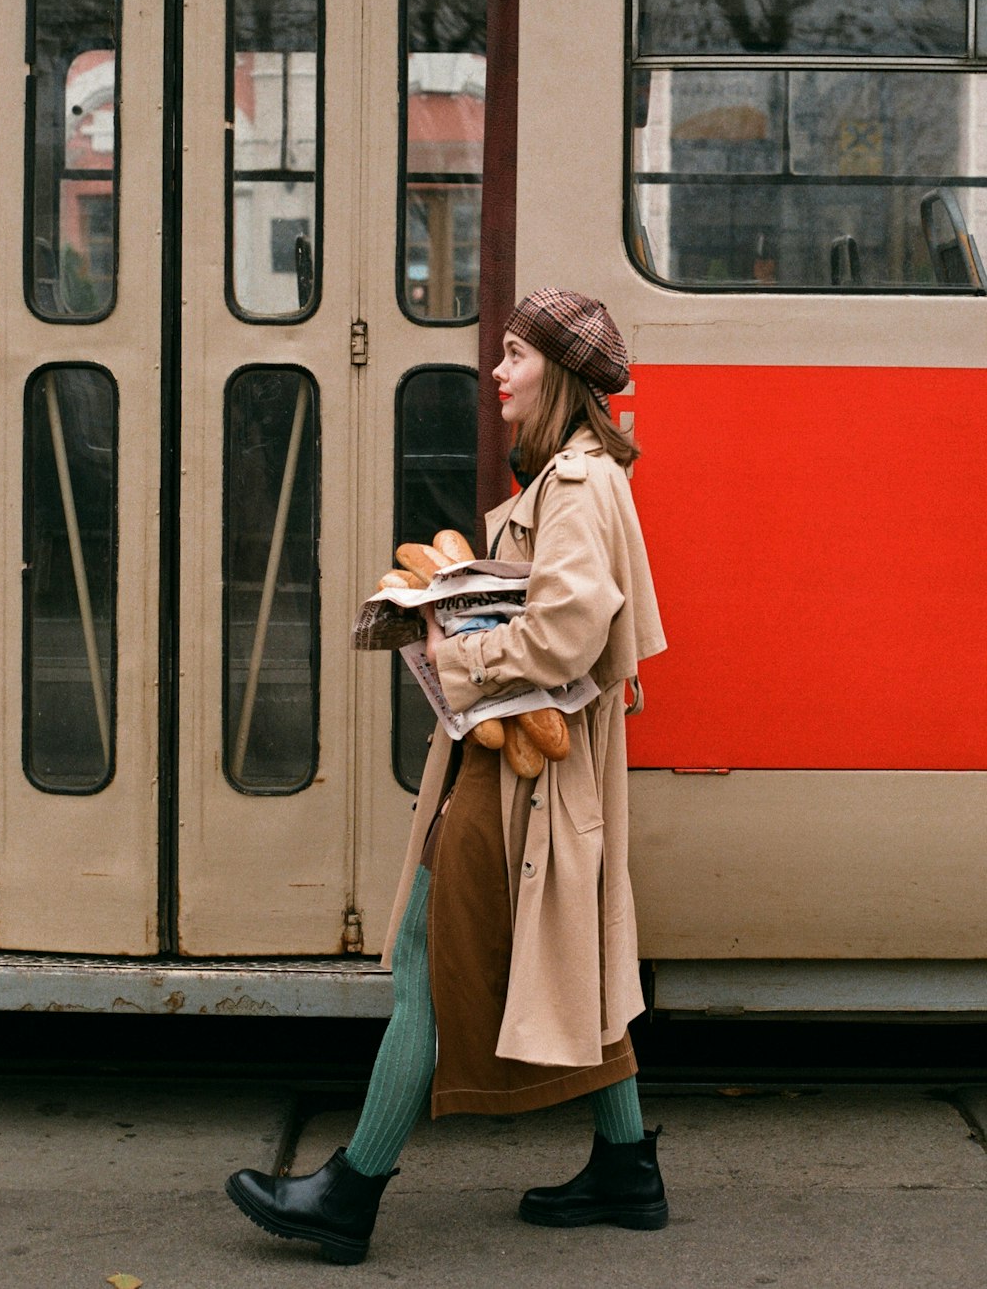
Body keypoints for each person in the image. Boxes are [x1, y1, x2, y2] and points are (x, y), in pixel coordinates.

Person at [225, 288, 669, 1264]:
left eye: (514, 355)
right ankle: (626, 1164)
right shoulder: (571, 475)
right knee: (577, 956)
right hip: (520, 765)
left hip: (520, 776)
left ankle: (348, 1192)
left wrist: (447, 637)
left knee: (425, 955)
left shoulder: (578, 485)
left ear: (555, 372)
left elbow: (566, 628)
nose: (499, 374)